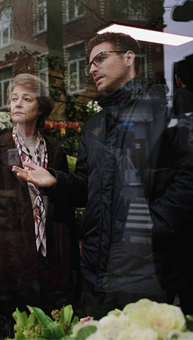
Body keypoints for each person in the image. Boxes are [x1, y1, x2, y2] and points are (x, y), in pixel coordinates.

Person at [13, 32, 193, 317]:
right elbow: (87, 189)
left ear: (129, 58)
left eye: (101, 58)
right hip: (97, 272)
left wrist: (151, 225)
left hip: (148, 267)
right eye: (89, 63)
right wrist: (56, 181)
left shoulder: (170, 104)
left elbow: (189, 178)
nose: (92, 69)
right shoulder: (95, 126)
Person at [0, 73, 80, 333]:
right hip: (13, 254)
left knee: (54, 325)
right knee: (19, 326)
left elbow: (65, 206)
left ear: (40, 107)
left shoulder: (55, 150)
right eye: (13, 99)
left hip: (52, 252)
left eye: (26, 99)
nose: (17, 104)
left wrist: (72, 256)